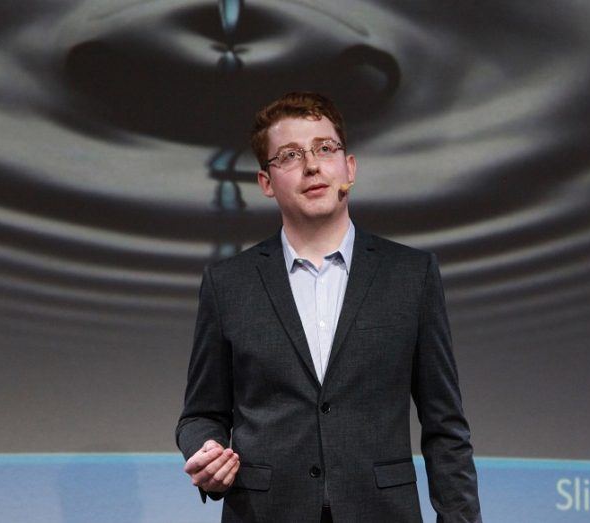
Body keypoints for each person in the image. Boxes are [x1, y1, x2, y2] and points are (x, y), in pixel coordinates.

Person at [176, 92, 481, 523]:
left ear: (349, 167)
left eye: (325, 148)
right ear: (266, 182)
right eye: (290, 155)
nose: (312, 164)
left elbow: (445, 428)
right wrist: (205, 452)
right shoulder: (229, 284)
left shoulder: (411, 275)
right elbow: (201, 414)